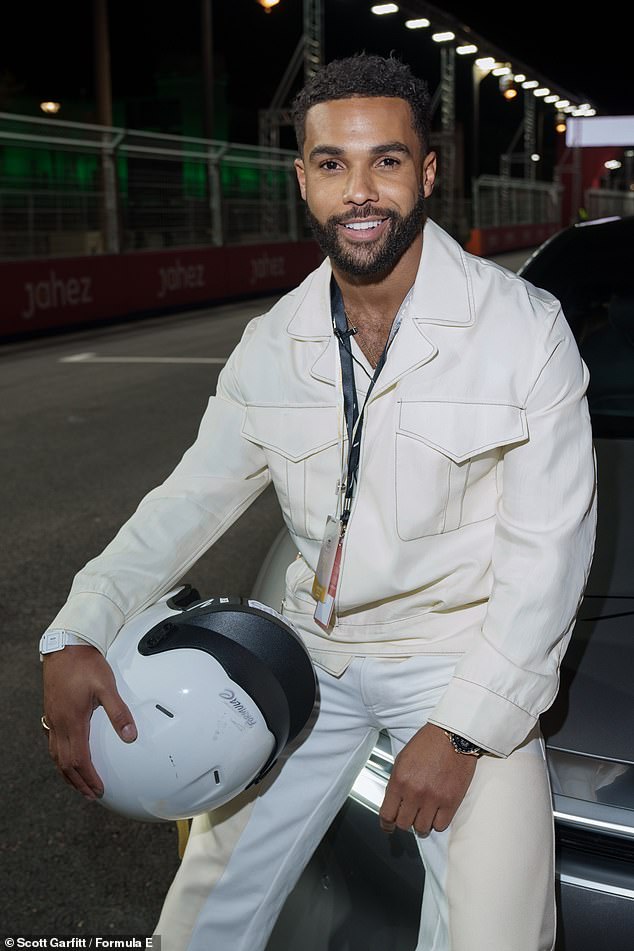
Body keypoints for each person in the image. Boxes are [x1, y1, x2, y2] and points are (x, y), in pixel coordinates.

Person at [40, 53, 596, 951]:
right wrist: (75, 627)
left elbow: (550, 558)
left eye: (386, 159)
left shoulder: (524, 331)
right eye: (333, 163)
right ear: (304, 180)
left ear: (428, 170)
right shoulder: (273, 343)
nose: (361, 190)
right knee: (199, 918)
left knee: (498, 934)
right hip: (312, 652)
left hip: (462, 652)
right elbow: (185, 501)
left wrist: (463, 731)